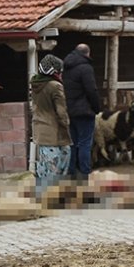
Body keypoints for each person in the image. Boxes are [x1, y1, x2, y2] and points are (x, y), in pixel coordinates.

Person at [30, 54, 72, 198]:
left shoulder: (35, 84)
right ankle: (53, 198)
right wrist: (66, 125)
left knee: (44, 165)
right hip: (55, 131)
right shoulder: (55, 86)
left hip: (39, 130)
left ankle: (41, 196)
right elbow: (61, 112)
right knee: (59, 163)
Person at [62, 43, 101, 181]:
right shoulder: (86, 68)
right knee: (85, 143)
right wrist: (97, 108)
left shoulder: (66, 68)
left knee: (73, 143)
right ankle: (85, 173)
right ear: (88, 53)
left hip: (70, 111)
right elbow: (91, 90)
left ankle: (71, 172)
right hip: (85, 112)